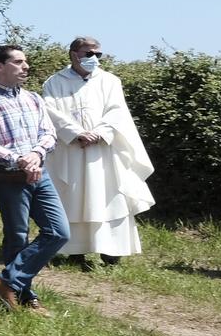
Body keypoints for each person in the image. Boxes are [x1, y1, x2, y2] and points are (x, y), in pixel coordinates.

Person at [0, 45, 69, 310]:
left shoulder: (34, 98)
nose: (25, 67)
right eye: (18, 62)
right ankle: (26, 296)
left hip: (39, 172)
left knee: (59, 231)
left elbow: (48, 133)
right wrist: (20, 160)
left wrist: (35, 155)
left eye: (25, 62)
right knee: (17, 235)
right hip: (7, 176)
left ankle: (7, 281)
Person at [42, 37, 155, 263]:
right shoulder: (54, 82)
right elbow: (49, 110)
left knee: (109, 196)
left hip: (103, 150)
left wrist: (99, 133)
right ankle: (75, 252)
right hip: (72, 150)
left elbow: (117, 110)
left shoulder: (110, 81)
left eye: (98, 54)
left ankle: (111, 251)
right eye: (89, 53)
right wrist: (76, 133)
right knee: (73, 196)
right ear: (74, 54)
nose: (95, 58)